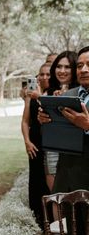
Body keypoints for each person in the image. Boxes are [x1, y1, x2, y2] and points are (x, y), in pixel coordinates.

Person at [39, 46, 89, 235]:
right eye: (80, 65)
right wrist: (46, 121)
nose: (84, 69)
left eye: (88, 65)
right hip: (67, 172)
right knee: (69, 231)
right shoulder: (67, 96)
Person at [43, 51, 78, 190]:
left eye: (67, 67)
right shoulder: (49, 93)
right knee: (56, 197)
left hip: (75, 153)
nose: (62, 71)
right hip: (52, 149)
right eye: (59, 66)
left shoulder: (82, 92)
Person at [22, 62, 50, 228]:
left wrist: (40, 97)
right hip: (34, 144)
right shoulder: (30, 95)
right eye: (41, 74)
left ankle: (51, 221)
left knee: (49, 182)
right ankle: (37, 218)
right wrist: (27, 141)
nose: (44, 77)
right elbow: (25, 121)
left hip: (51, 144)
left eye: (48, 74)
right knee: (36, 180)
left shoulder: (55, 93)